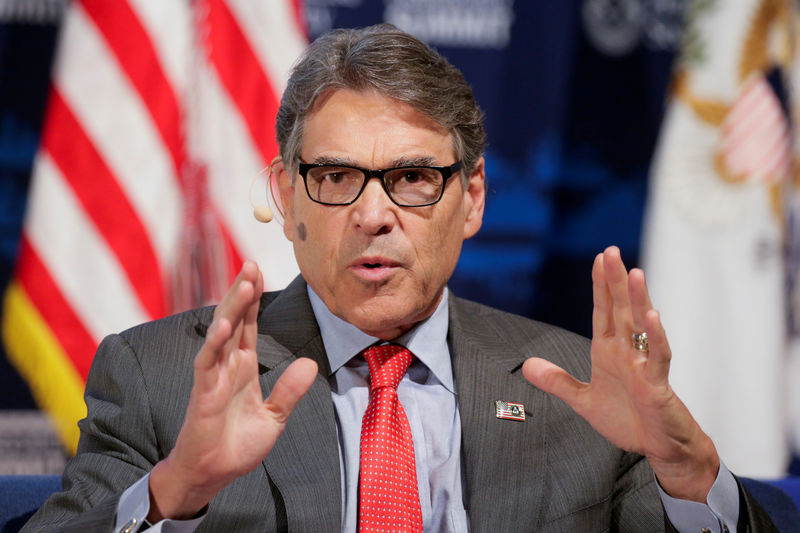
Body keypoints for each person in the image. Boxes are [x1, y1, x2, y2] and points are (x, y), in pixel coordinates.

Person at [24, 24, 775, 533]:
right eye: (338, 176)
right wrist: (172, 495)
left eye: (413, 177)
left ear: (471, 198)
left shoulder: (580, 389)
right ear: (287, 198)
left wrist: (690, 471)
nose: (373, 215)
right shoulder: (161, 375)